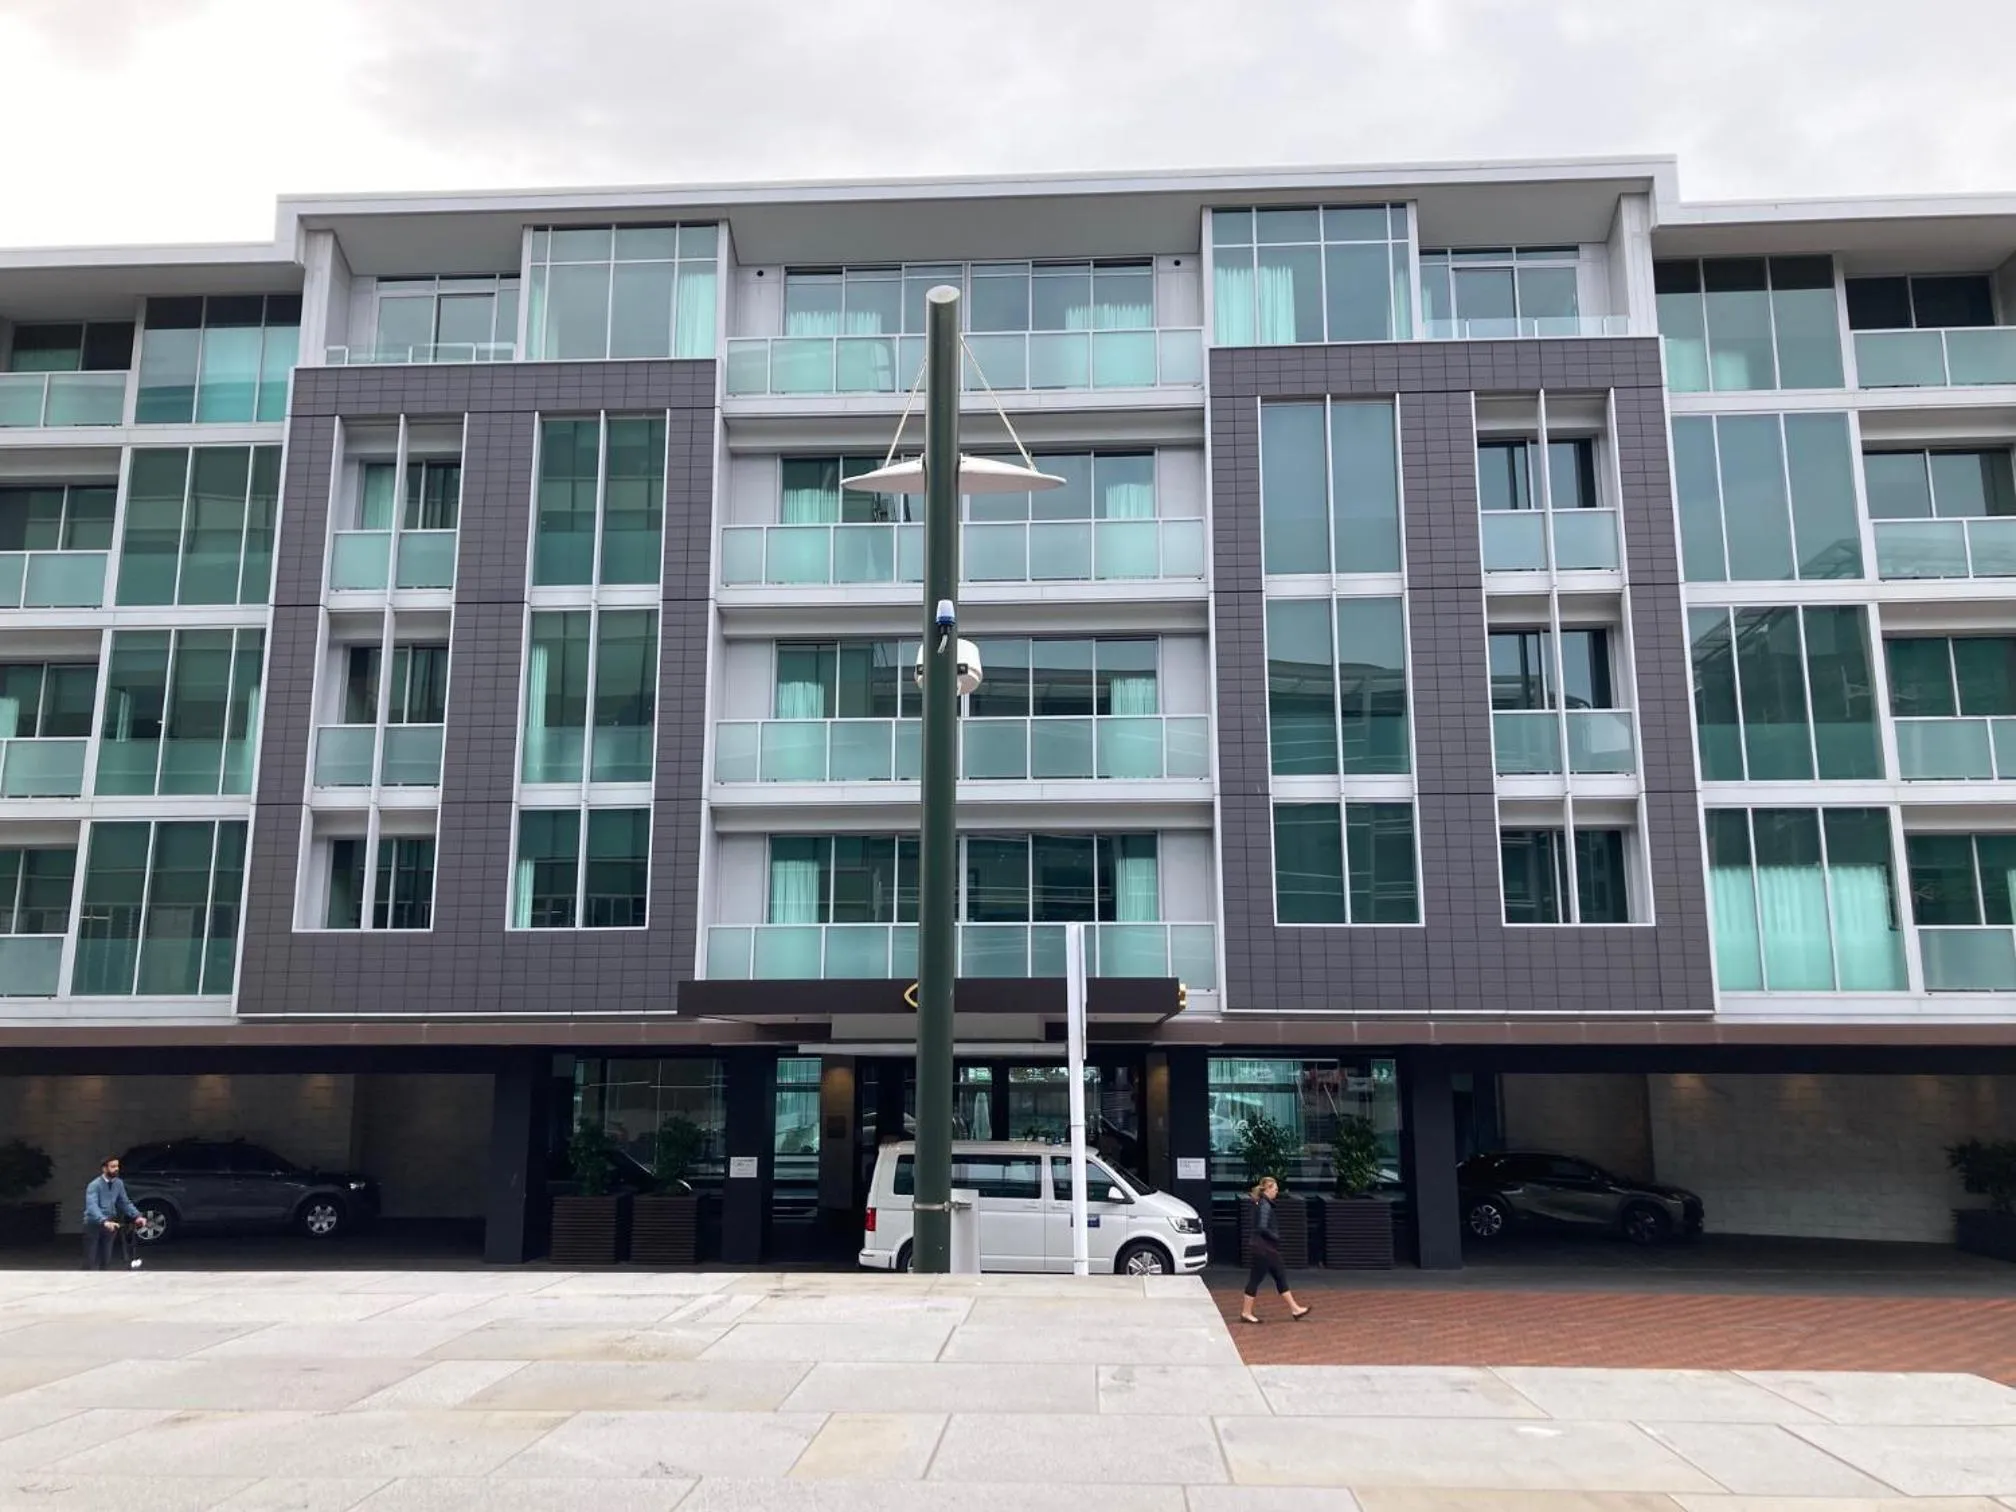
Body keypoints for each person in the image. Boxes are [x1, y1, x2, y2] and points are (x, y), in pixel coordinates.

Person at [1239, 1176, 1310, 1324]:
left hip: (1264, 1248)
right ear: (1268, 1189)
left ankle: (1295, 1309)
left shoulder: (1262, 1203)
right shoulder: (1264, 1204)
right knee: (1257, 1279)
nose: (1277, 1192)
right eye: (1275, 1189)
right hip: (1264, 1249)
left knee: (1279, 1276)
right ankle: (1246, 1312)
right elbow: (1262, 1227)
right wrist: (1275, 1236)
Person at [81, 1156, 140, 1271]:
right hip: (93, 1223)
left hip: (110, 1222)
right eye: (113, 1166)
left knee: (106, 1256)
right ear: (104, 1169)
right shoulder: (95, 1185)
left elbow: (124, 1202)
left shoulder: (118, 1183)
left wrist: (137, 1215)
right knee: (90, 1257)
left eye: (117, 1166)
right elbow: (92, 1206)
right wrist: (103, 1221)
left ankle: (103, 1276)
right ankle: (86, 1277)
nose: (116, 1169)